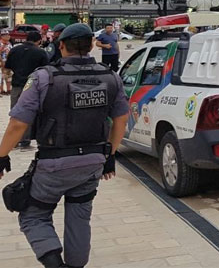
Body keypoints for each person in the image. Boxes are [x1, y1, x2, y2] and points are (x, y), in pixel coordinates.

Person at [0, 23, 128, 268]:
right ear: (92, 45)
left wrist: (2, 155)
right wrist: (110, 154)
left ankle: (54, 263)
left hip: (54, 163)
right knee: (80, 215)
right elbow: (121, 119)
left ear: (60, 45)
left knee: (33, 214)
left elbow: (18, 123)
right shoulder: (111, 77)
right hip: (92, 162)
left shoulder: (44, 77)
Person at [4, 31, 49, 148]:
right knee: (29, 112)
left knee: (15, 112)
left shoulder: (14, 50)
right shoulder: (40, 52)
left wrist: (9, 81)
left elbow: (7, 68)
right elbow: (46, 70)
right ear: (39, 41)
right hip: (32, 85)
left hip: (16, 84)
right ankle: (25, 139)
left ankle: (13, 139)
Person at [0, 29, 12, 95]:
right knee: (1, 77)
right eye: (6, 35)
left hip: (8, 62)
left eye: (8, 35)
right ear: (2, 36)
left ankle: (8, 90)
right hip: (1, 62)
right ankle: (1, 90)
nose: (8, 36)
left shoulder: (9, 44)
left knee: (8, 76)